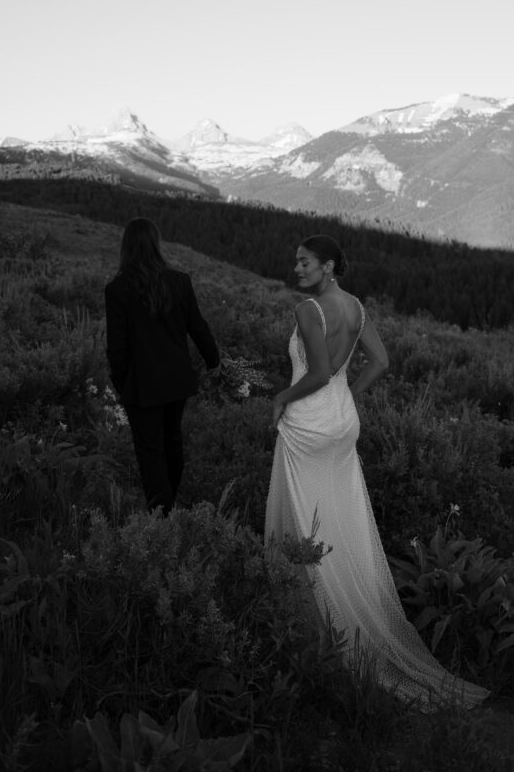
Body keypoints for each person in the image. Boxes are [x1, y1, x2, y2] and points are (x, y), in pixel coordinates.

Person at [265, 234, 488, 711]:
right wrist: (353, 397)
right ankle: (356, 610)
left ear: (326, 266)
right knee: (341, 517)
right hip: (343, 424)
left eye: (304, 262)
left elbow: (319, 373)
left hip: (308, 426)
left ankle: (313, 622)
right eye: (296, 261)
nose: (297, 268)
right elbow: (380, 361)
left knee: (302, 517)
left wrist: (282, 398)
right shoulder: (357, 307)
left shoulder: (309, 309)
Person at [105, 218, 219, 514]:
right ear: (156, 244)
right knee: (172, 441)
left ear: (126, 247)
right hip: (176, 380)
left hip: (141, 385)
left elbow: (117, 349)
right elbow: (198, 327)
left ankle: (162, 517)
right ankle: (169, 506)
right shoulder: (179, 281)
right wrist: (214, 362)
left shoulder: (117, 289)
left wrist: (123, 386)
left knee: (150, 451)